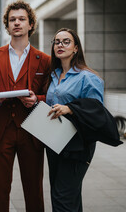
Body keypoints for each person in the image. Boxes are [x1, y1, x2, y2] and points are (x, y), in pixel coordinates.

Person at [0, 0, 50, 212]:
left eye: (22, 19)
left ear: (30, 25)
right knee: (0, 189)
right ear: (7, 25)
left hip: (32, 131)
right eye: (12, 20)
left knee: (34, 189)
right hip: (1, 130)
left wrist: (37, 99)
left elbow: (51, 95)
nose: (17, 23)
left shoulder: (44, 60)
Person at [46, 28, 104, 211]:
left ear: (76, 48)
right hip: (55, 142)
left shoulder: (88, 77)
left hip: (77, 145)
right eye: (57, 42)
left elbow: (96, 111)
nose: (60, 45)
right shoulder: (54, 75)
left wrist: (70, 108)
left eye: (66, 41)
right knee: (65, 195)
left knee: (62, 198)